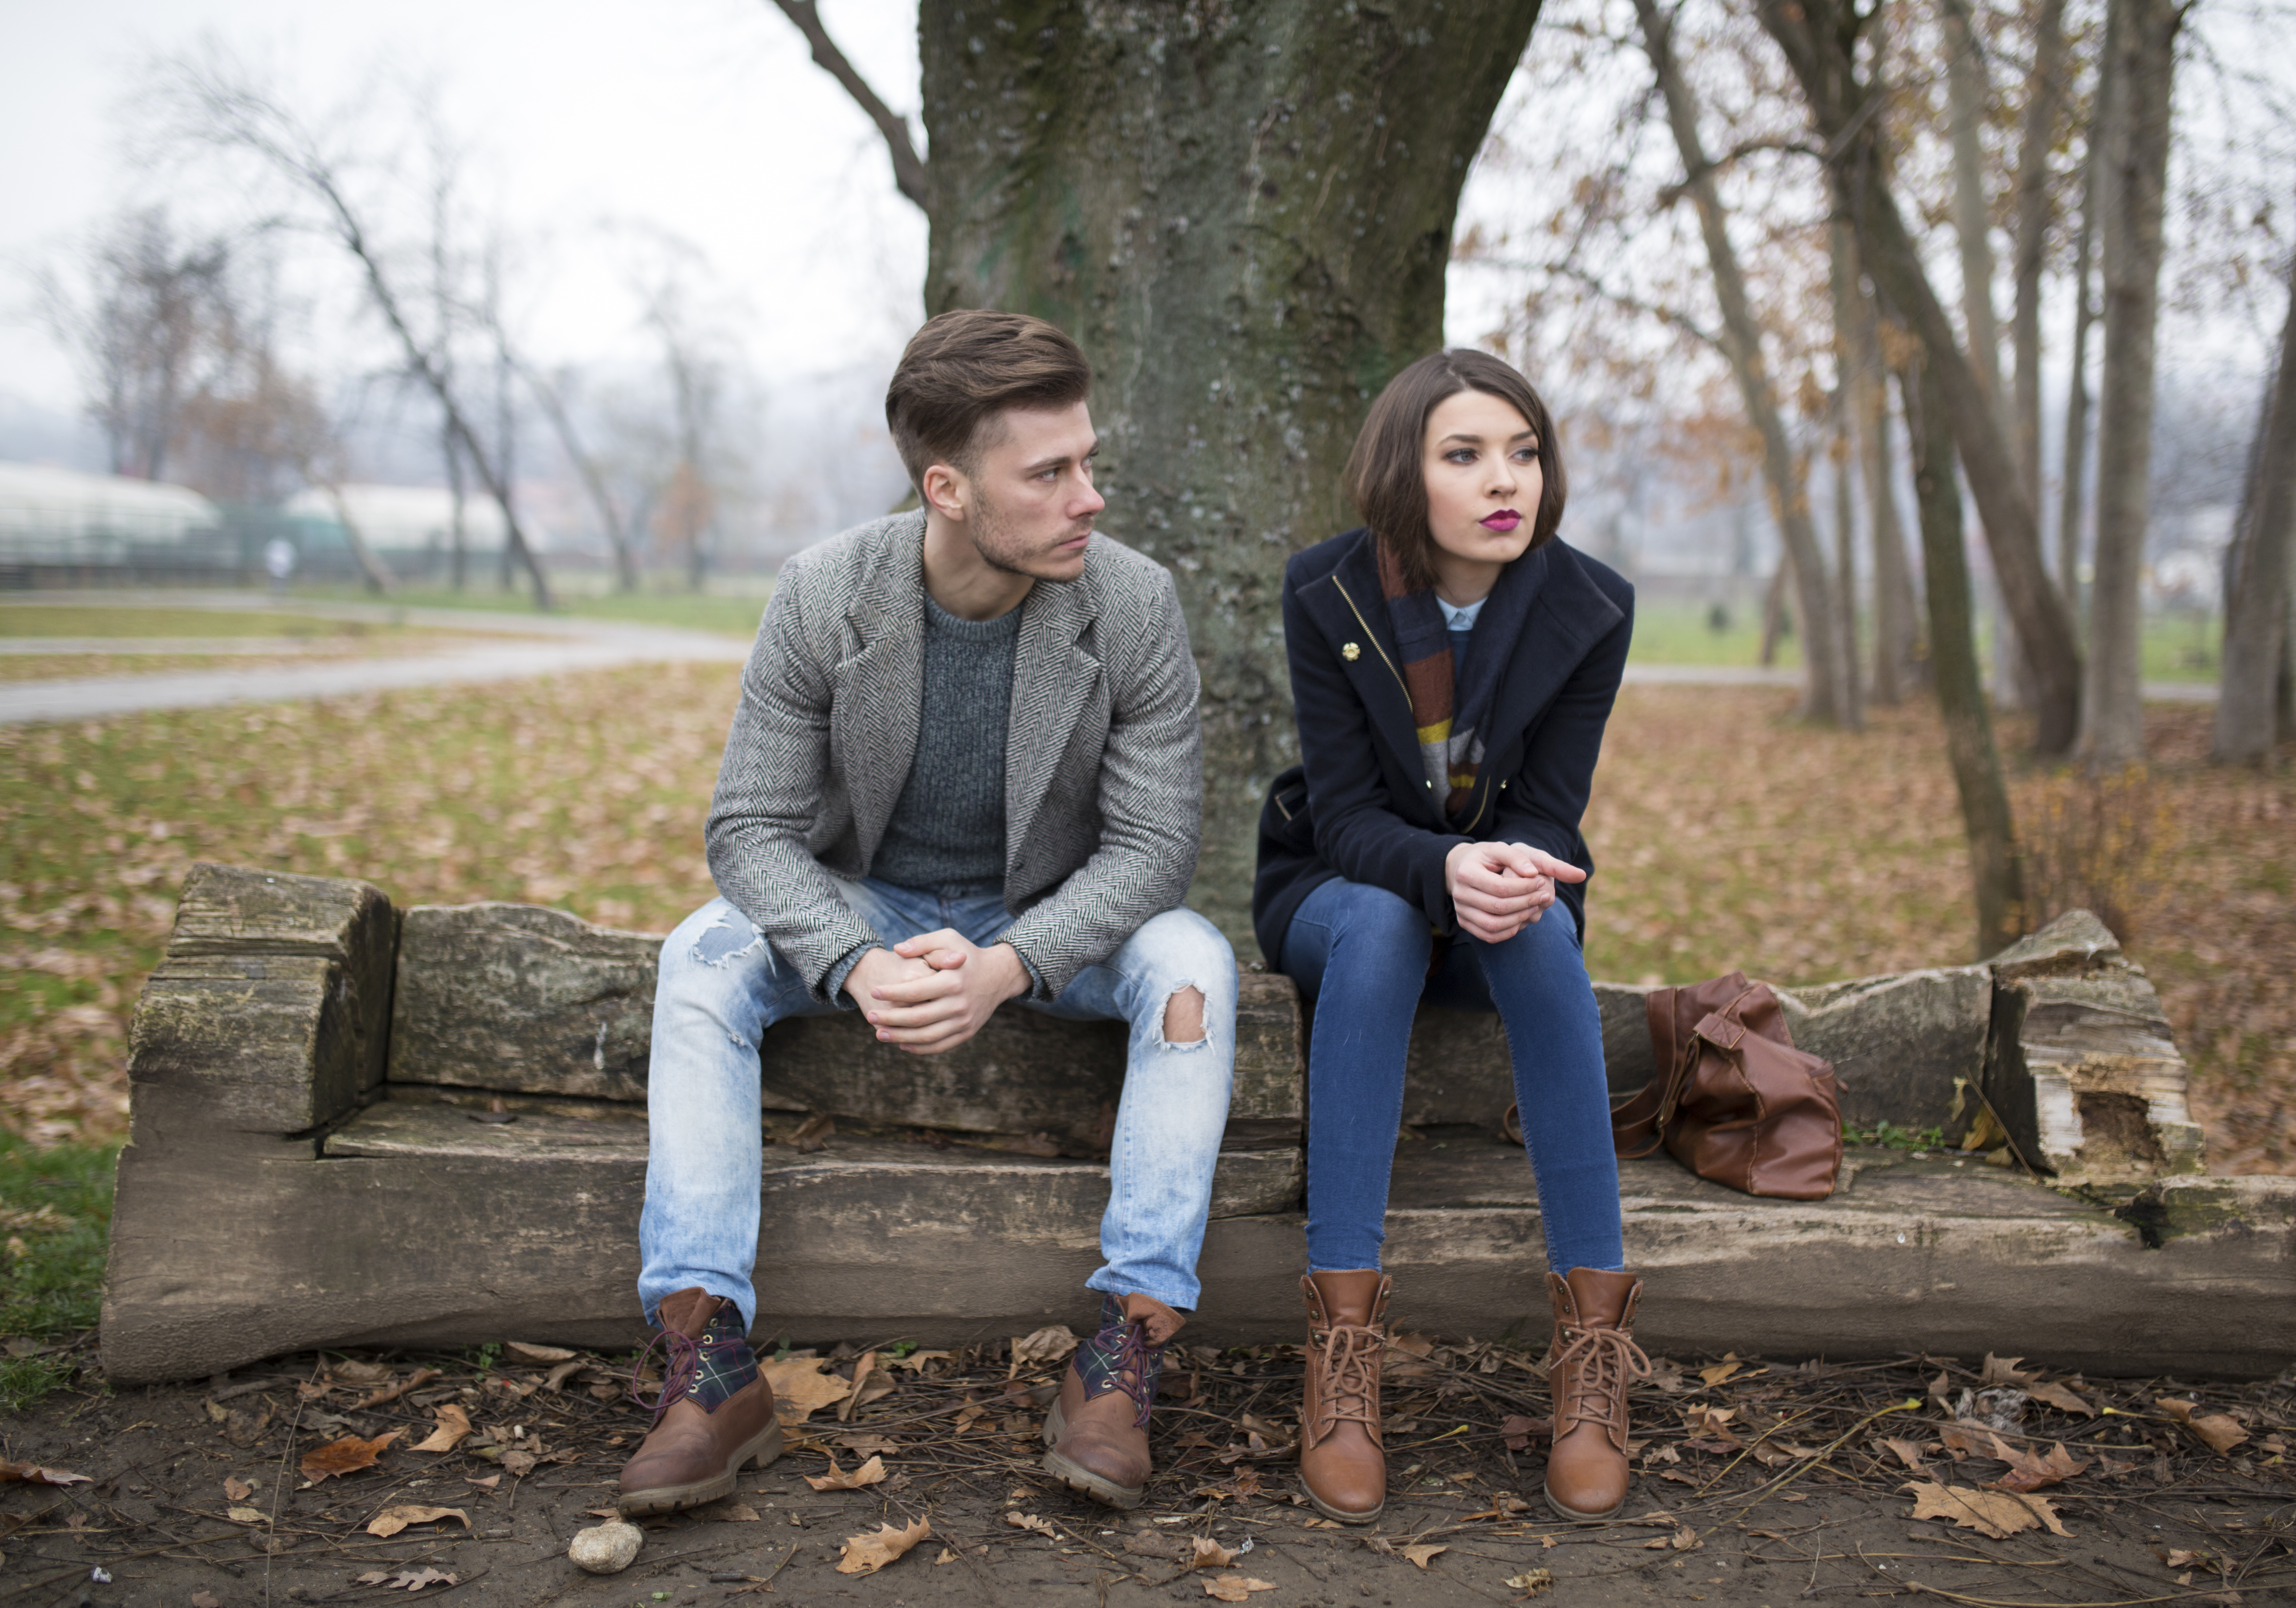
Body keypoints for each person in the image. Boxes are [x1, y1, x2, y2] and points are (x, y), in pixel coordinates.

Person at [622, 309, 1238, 1518]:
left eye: (1088, 463)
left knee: (1195, 968)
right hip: (864, 898)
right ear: (947, 487)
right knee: (697, 957)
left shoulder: (1133, 606)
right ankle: (710, 1358)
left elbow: (1158, 844)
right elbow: (747, 826)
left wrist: (1016, 961)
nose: (1090, 498)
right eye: (1050, 473)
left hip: (1049, 911)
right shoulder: (824, 593)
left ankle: (1124, 1348)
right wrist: (851, 960)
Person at [1253, 350, 1640, 1525]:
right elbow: (1349, 815)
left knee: (1538, 929)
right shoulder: (1330, 593)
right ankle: (1343, 1361)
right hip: (1345, 881)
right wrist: (1441, 866)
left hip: (1497, 886)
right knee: (1379, 925)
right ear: (1402, 473)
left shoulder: (1591, 606)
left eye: (1522, 452)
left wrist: (1500, 868)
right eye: (1464, 454)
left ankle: (1593, 1362)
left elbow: (1548, 812)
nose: (1503, 479)